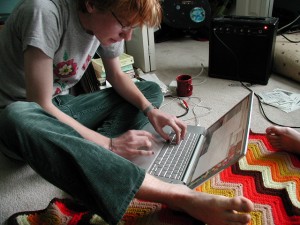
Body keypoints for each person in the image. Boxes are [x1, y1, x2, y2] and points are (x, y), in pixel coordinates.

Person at [0, 0, 254, 224]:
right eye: (124, 27)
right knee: (18, 114)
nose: (128, 37)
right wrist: (110, 144)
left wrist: (150, 111)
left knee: (151, 91)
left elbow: (118, 75)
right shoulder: (43, 11)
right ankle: (177, 195)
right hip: (21, 117)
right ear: (91, 3)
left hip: (63, 108)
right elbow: (40, 105)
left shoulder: (105, 20)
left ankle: (87, 160)